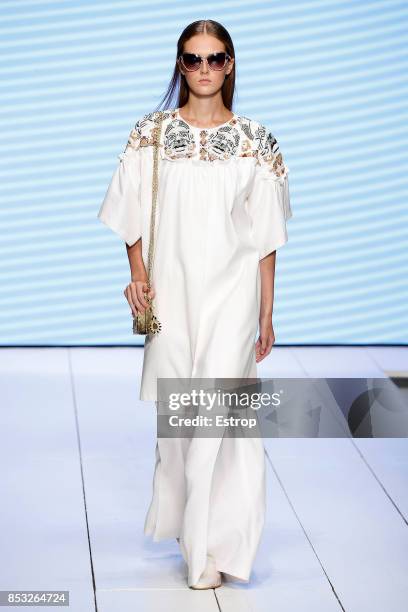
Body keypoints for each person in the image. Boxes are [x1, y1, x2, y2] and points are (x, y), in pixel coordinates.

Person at [97, 19, 292, 590]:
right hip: (173, 291)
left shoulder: (256, 141)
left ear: (230, 64)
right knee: (182, 421)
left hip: (234, 292)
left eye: (214, 58)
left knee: (221, 419)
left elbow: (266, 236)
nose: (204, 69)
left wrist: (266, 311)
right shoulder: (151, 135)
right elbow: (129, 214)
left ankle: (217, 549)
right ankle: (196, 538)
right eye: (192, 59)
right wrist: (137, 278)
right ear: (179, 65)